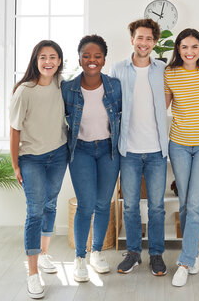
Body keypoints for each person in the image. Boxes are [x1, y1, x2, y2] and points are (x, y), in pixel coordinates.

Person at [9, 40, 68, 299]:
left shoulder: (60, 85)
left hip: (58, 155)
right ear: (35, 60)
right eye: (43, 57)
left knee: (51, 205)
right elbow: (14, 130)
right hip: (31, 158)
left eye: (53, 57)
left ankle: (44, 254)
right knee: (35, 211)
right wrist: (15, 165)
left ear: (59, 61)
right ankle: (32, 273)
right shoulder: (25, 90)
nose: (48, 62)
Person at [109, 19, 168, 276]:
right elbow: (110, 105)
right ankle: (133, 253)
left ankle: (156, 254)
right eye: (139, 37)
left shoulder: (163, 69)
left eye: (148, 39)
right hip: (129, 150)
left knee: (156, 206)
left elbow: (181, 94)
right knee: (131, 205)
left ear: (154, 42)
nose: (143, 43)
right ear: (132, 39)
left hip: (157, 151)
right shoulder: (117, 69)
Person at [61, 34, 122, 282]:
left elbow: (124, 117)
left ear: (104, 60)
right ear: (79, 58)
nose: (92, 60)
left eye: (97, 56)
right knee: (85, 206)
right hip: (81, 151)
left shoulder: (114, 86)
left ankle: (96, 253)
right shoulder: (68, 89)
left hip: (109, 150)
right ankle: (80, 259)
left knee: (102, 203)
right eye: (86, 56)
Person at [164, 29, 199, 287]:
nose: (189, 51)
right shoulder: (170, 73)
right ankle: (193, 253)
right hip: (179, 145)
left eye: (194, 46)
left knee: (195, 203)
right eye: (184, 47)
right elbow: (160, 107)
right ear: (178, 48)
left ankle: (184, 262)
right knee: (185, 203)